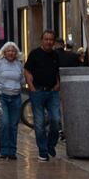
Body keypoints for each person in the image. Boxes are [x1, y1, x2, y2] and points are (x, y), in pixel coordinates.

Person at [23, 30, 61, 162]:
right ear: (42, 40)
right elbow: (27, 70)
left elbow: (57, 71)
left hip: (52, 92)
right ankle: (43, 151)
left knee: (56, 120)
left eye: (51, 39)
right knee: (39, 123)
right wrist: (31, 87)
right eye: (46, 39)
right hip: (37, 92)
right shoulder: (35, 54)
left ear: (54, 41)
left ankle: (51, 145)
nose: (49, 42)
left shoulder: (56, 55)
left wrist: (58, 84)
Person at [0, 42, 25, 160]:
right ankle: (4, 150)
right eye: (8, 51)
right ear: (4, 52)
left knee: (13, 125)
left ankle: (12, 151)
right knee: (5, 124)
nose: (11, 53)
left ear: (16, 53)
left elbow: (22, 80)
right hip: (2, 97)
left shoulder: (19, 65)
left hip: (16, 97)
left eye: (13, 51)